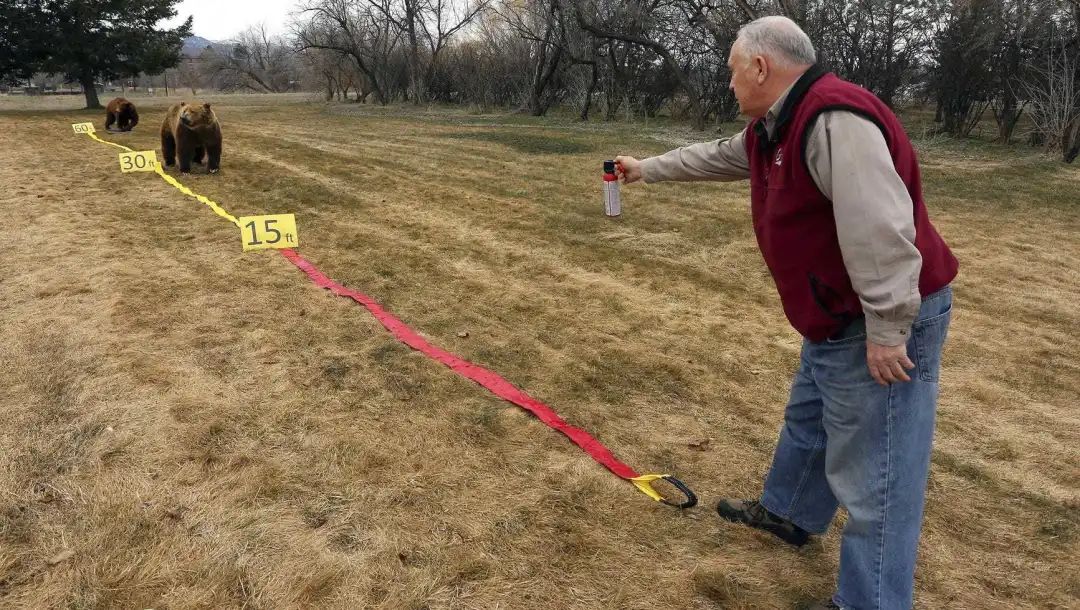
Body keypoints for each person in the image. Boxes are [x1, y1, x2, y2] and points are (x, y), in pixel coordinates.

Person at [616, 15, 958, 610]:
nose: (728, 84)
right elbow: (721, 156)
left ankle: (869, 600)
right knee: (810, 419)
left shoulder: (833, 121)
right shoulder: (777, 124)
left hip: (873, 322)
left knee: (879, 479)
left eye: (731, 71)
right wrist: (647, 169)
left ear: (760, 66)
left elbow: (880, 232)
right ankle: (790, 513)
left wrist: (885, 330)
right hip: (832, 318)